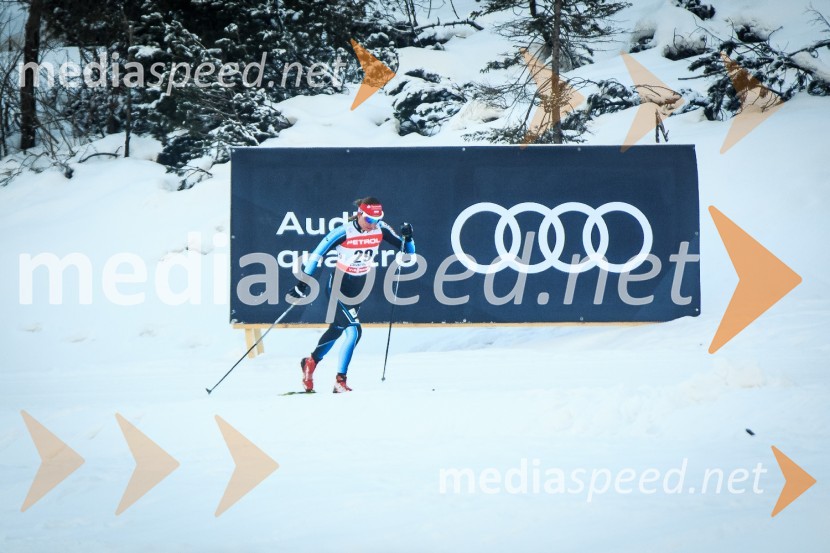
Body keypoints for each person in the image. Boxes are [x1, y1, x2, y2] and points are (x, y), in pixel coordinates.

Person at [287, 197, 415, 393]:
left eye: (377, 219)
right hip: (338, 285)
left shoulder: (380, 228)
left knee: (337, 329)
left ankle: (310, 362)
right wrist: (302, 284)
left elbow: (408, 251)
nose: (373, 224)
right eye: (370, 220)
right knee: (354, 330)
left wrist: (408, 237)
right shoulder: (343, 232)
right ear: (361, 214)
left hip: (359, 288)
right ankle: (340, 381)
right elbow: (316, 255)